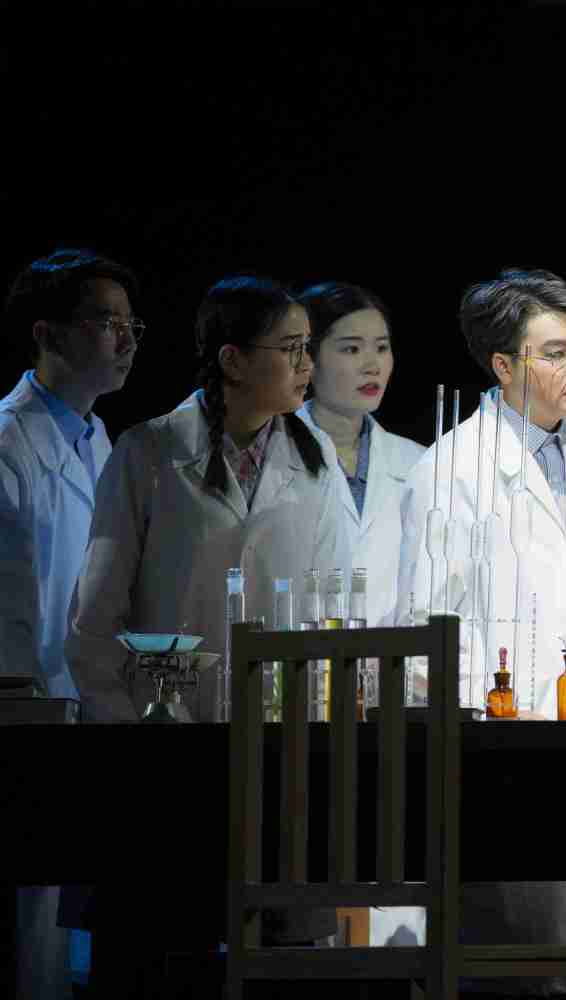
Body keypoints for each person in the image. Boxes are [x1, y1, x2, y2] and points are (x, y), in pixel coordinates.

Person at [65, 275, 349, 997]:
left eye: (308, 347)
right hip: (164, 752)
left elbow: (340, 606)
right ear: (232, 359)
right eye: (290, 348)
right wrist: (135, 733)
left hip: (279, 751)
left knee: (279, 959)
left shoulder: (315, 460)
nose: (307, 364)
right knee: (158, 953)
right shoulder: (149, 452)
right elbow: (93, 623)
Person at [395, 268, 566, 995]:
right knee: (512, 961)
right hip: (498, 744)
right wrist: (491, 716)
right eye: (555, 353)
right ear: (502, 365)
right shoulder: (450, 469)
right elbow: (424, 630)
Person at [1, 248, 139, 999]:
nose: (125, 339)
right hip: (27, 711)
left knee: (63, 931)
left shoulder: (98, 439)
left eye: (130, 325)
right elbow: (11, 607)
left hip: (79, 706)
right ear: (47, 334)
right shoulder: (7, 443)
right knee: (30, 927)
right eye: (105, 323)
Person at [295, 282, 425, 628]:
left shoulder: (419, 463)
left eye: (381, 348)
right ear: (308, 359)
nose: (372, 366)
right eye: (351, 349)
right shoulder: (275, 454)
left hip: (394, 656)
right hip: (298, 653)